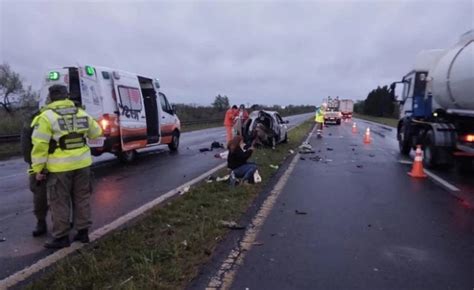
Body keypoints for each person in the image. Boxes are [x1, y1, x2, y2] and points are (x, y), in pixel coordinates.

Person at [30, 84, 102, 249]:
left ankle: (61, 237)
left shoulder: (46, 117)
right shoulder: (81, 113)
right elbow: (96, 132)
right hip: (83, 164)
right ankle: (83, 233)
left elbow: (39, 145)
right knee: (82, 198)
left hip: (59, 168)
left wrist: (38, 169)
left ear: (51, 97)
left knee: (59, 202)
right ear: (66, 96)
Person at [22, 103, 50, 237]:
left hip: (41, 162)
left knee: (40, 194)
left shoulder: (34, 118)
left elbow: (26, 147)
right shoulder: (56, 116)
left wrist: (33, 166)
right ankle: (59, 222)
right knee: (59, 193)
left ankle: (41, 222)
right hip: (55, 162)